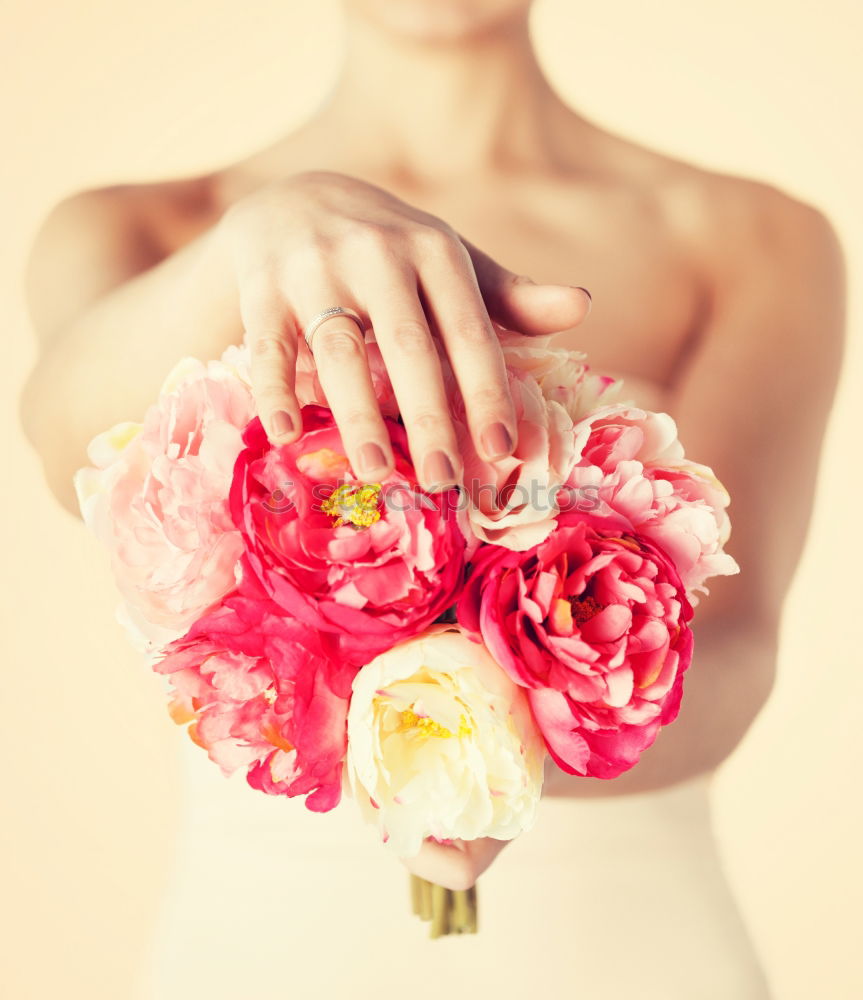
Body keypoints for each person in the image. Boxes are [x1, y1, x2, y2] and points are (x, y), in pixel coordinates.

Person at [19, 1, 845, 996]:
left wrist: (500, 745)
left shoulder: (755, 237)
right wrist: (258, 241)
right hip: (262, 950)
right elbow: (61, 442)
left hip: (630, 950)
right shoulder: (135, 232)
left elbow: (737, 645)